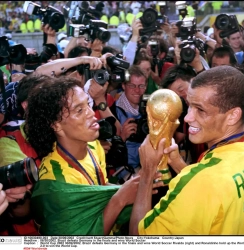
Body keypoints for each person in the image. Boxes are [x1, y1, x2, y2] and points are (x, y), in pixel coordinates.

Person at [129, 65, 244, 235]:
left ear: (233, 115)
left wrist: (147, 173)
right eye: (189, 106)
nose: (187, 118)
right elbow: (217, 192)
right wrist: (177, 161)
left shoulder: (203, 183)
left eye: (200, 110)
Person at [25, 76, 162, 235]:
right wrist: (120, 198)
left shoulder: (93, 145)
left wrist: (135, 185)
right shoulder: (55, 181)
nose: (92, 114)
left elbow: (98, 190)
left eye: (88, 104)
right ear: (56, 125)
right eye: (79, 110)